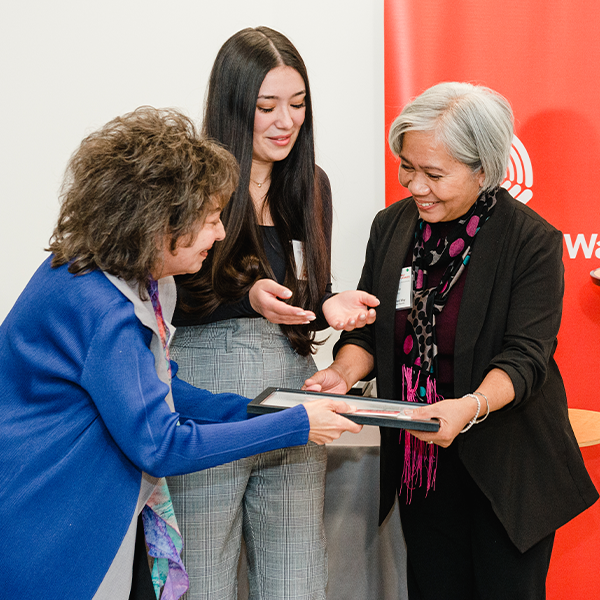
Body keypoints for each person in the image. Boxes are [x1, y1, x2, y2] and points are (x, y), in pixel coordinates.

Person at [0, 106, 363, 600]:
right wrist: (297, 424)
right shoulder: (102, 309)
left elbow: (164, 388)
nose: (219, 233)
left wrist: (269, 407)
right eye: (212, 219)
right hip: (51, 522)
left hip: (64, 505)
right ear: (159, 223)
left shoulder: (104, 274)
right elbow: (161, 444)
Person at [304, 82, 599, 599]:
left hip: (507, 471)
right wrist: (342, 373)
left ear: (483, 170)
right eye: (407, 168)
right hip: (424, 466)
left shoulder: (530, 240)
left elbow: (526, 358)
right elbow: (374, 331)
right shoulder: (393, 226)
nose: (416, 186)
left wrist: (470, 404)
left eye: (434, 174)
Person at [166, 26, 378, 600]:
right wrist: (249, 298)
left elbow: (308, 293)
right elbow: (168, 291)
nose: (286, 120)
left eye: (298, 104)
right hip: (206, 386)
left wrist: (329, 305)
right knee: (201, 571)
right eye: (267, 106)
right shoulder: (193, 185)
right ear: (236, 106)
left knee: (296, 573)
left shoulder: (310, 185)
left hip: (292, 385)